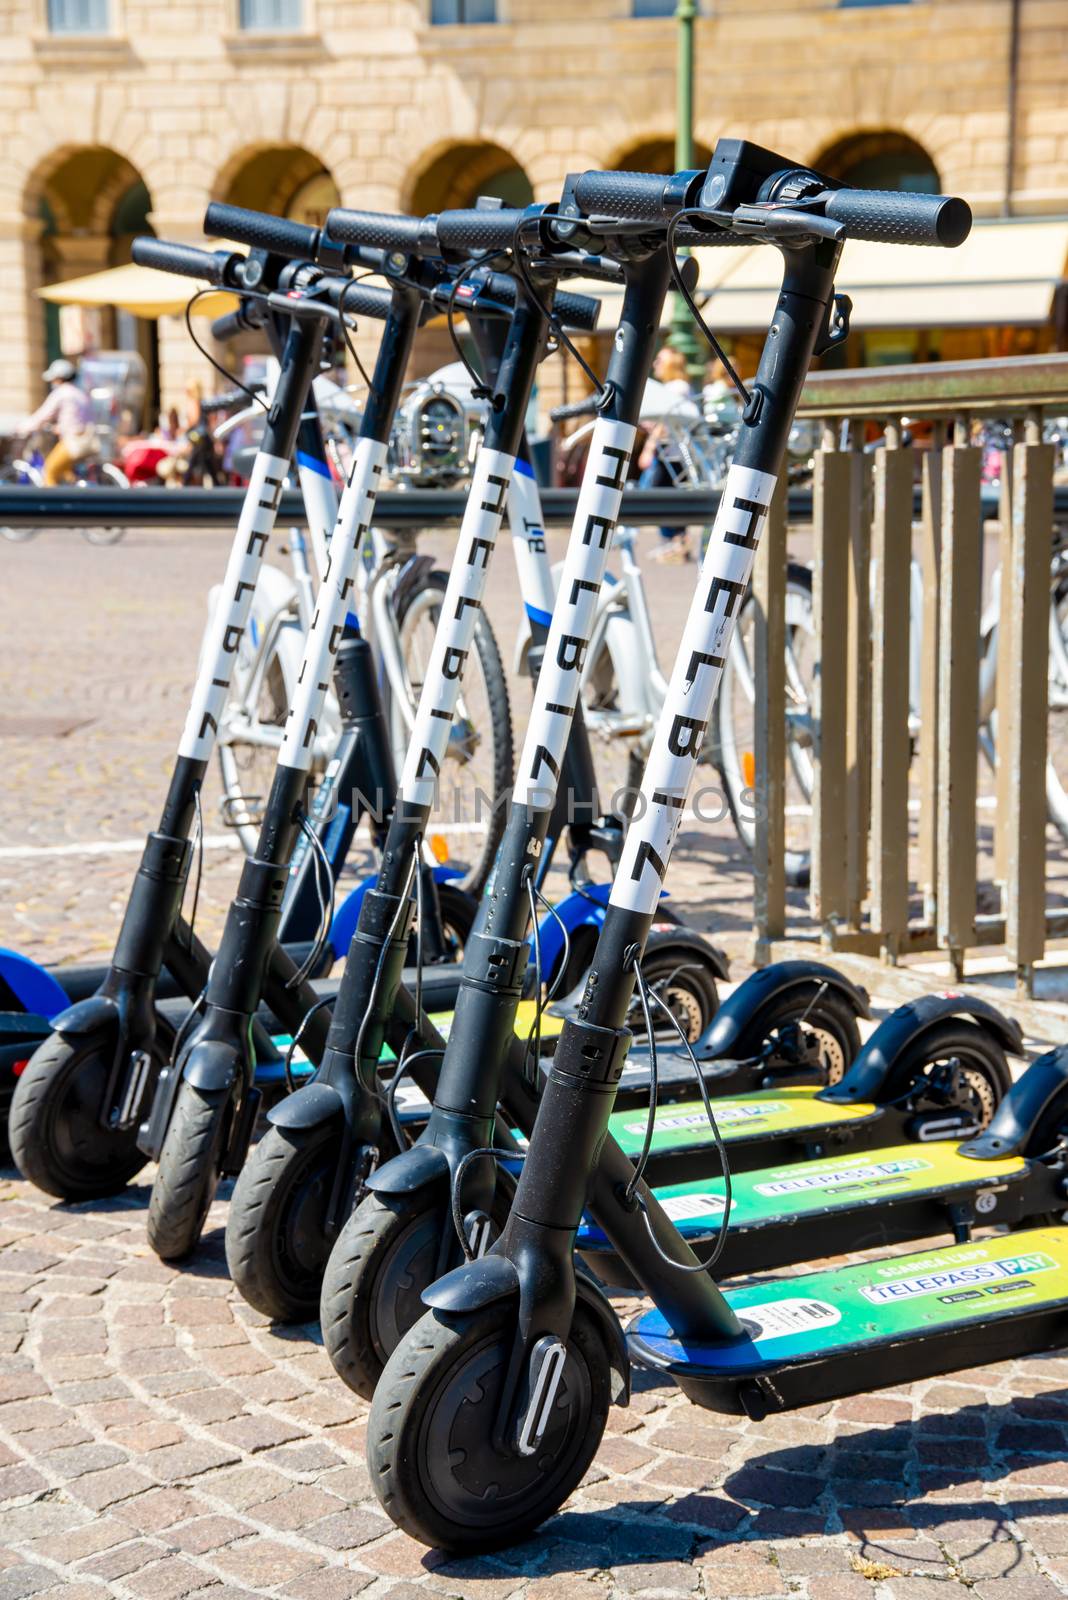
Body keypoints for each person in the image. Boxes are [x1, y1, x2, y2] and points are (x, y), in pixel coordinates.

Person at [637, 344, 696, 563]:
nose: (655, 365)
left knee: (660, 496)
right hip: (673, 452)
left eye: (660, 360)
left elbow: (664, 422)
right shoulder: (678, 387)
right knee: (669, 495)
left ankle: (676, 542)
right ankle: (676, 543)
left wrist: (648, 448)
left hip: (670, 452)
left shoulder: (675, 387)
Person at [24, 358, 96, 487]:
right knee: (66, 473)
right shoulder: (80, 394)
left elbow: (42, 415)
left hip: (72, 442)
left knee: (49, 470)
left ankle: (52, 504)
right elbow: (79, 418)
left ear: (59, 377)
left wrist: (23, 427)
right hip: (87, 441)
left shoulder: (62, 393)